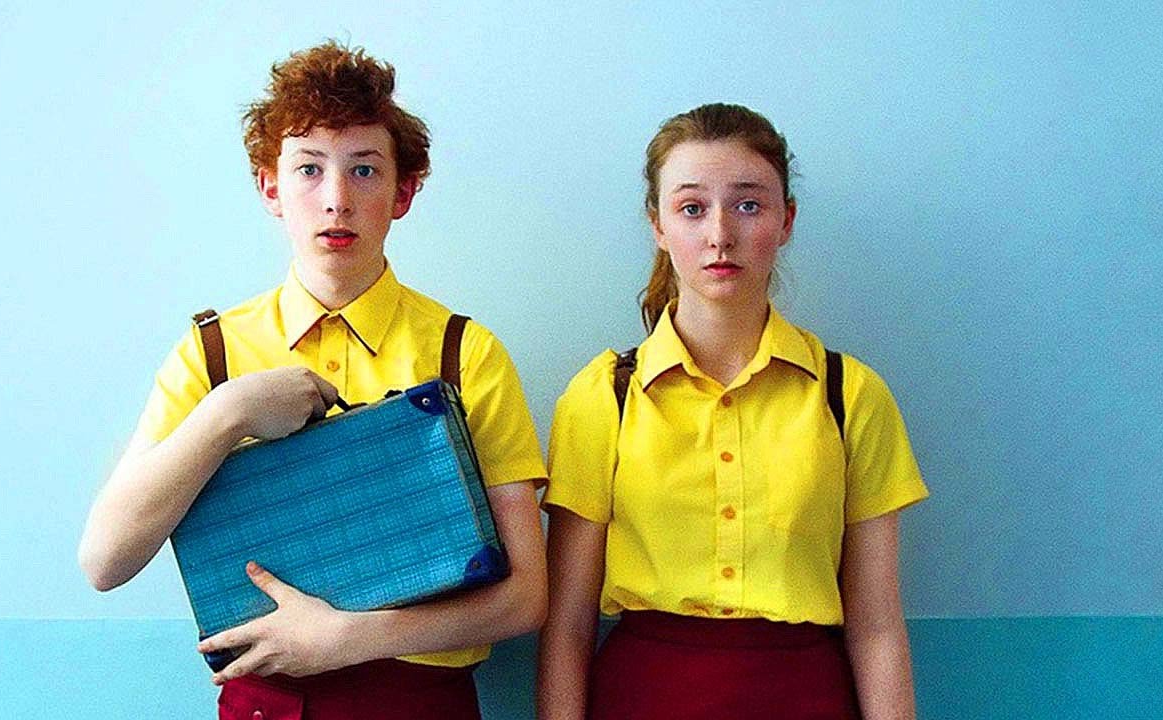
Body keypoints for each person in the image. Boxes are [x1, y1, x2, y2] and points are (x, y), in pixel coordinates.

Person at [78, 41, 547, 720]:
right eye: (308, 169)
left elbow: (526, 598)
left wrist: (347, 638)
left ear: (404, 192)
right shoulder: (212, 353)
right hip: (264, 701)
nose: (336, 200)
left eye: (364, 169)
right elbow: (105, 563)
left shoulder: (464, 353)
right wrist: (230, 413)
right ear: (270, 188)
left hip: (422, 702)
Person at [536, 103, 928, 720]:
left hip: (807, 699)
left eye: (748, 205)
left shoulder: (850, 394)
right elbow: (567, 627)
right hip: (641, 698)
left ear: (786, 220)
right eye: (692, 208)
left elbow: (877, 627)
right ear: (658, 225)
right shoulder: (603, 395)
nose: (720, 235)